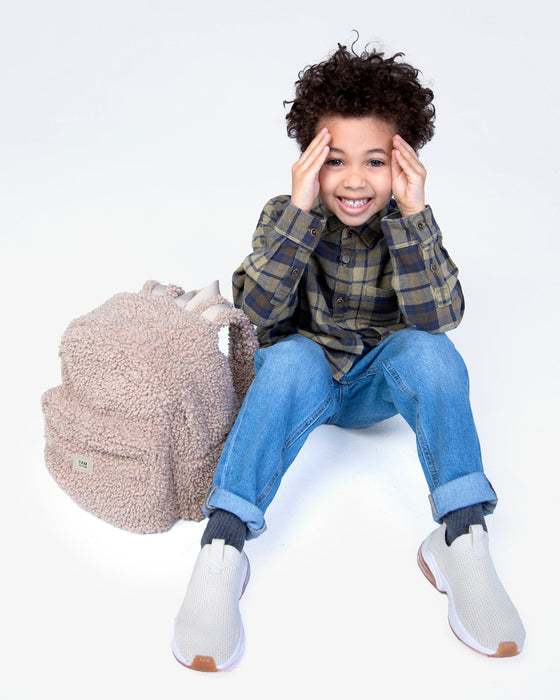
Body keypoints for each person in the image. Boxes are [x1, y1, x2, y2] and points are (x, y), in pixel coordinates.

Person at [171, 41, 525, 672]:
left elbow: (442, 317)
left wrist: (414, 218)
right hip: (303, 378)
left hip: (372, 387)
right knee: (289, 361)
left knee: (432, 353)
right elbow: (258, 310)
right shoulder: (285, 214)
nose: (356, 181)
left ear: (403, 165)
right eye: (335, 161)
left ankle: (460, 539)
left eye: (374, 162)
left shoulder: (407, 223)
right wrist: (302, 212)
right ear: (309, 162)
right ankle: (222, 547)